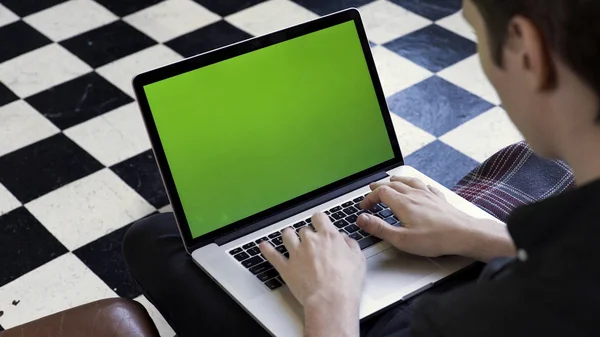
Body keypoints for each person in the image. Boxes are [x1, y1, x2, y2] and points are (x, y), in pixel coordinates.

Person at [123, 0, 600, 335]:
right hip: (480, 262)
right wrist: (482, 236)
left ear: (527, 50)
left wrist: (328, 302)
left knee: (154, 238)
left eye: (476, 30)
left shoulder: (484, 318)